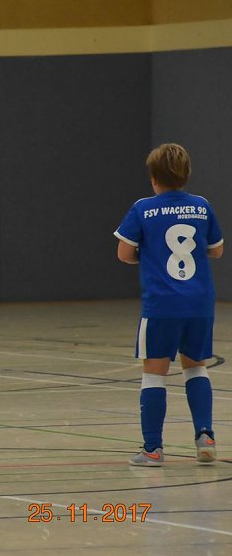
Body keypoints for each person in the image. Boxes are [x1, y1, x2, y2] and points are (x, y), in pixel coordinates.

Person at [114, 143, 223, 467]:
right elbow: (216, 250)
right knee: (196, 367)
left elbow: (123, 253)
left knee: (154, 374)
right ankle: (205, 435)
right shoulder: (202, 206)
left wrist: (150, 255)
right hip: (199, 304)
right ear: (187, 175)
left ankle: (153, 449)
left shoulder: (143, 208)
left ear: (153, 178)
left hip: (161, 304)